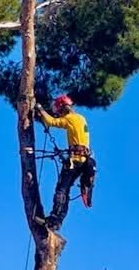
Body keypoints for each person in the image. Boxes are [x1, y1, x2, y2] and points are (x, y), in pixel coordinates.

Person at [35, 94, 96, 231]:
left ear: (63, 108)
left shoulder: (70, 118)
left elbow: (51, 122)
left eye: (59, 111)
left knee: (61, 190)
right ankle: (58, 220)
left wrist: (40, 109)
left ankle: (54, 219)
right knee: (65, 190)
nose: (59, 114)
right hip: (84, 159)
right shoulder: (81, 118)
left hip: (74, 160)